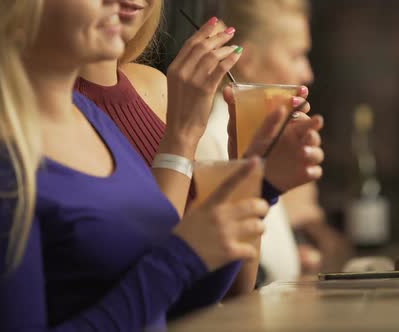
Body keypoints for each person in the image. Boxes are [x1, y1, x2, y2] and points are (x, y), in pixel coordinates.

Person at [0, 0, 272, 330]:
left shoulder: (89, 119)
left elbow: (171, 305)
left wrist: (261, 179)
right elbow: (164, 278)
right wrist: (182, 257)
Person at [75, 0, 325, 301]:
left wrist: (251, 171)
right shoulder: (53, 113)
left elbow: (234, 293)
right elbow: (155, 290)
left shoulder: (159, 88)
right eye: (296, 55)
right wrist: (181, 136)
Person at [196, 0, 351, 282]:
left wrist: (300, 241)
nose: (308, 73)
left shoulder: (265, 140)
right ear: (248, 61)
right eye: (295, 56)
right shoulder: (210, 141)